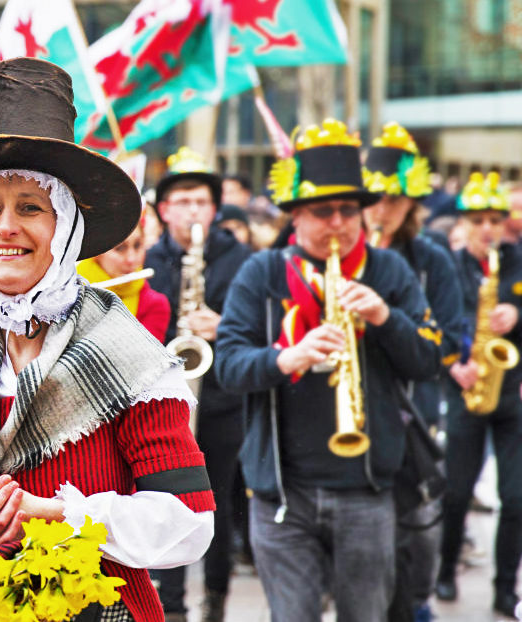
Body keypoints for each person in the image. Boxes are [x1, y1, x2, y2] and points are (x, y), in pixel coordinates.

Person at [0, 57, 214, 622]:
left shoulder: (131, 358)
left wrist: (56, 515)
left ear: (65, 229)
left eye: (31, 208)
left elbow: (188, 522)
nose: (6, 228)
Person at [215, 119, 443, 622]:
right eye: (323, 212)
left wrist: (385, 318)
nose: (338, 224)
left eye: (348, 211)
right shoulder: (264, 272)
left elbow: (429, 359)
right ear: (295, 215)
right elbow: (228, 366)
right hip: (283, 495)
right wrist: (285, 358)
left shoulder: (389, 271)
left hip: (367, 491)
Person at [362, 122, 464, 622]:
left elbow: (449, 337)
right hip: (353, 418)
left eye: (395, 199)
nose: (382, 209)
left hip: (414, 416)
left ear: (412, 204)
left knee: (414, 541)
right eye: (374, 198)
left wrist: (393, 323)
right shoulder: (343, 256)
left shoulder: (431, 260)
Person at [145, 146, 251, 622]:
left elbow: (261, 328)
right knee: (167, 501)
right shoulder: (149, 258)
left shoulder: (243, 259)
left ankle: (215, 597)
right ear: (164, 210)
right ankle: (170, 604)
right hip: (164, 403)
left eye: (201, 202)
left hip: (224, 400)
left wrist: (222, 326)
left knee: (221, 502)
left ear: (215, 208)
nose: (192, 211)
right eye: (182, 201)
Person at [435, 172, 522, 617]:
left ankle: (506, 588)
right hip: (467, 390)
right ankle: (446, 568)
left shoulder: (519, 262)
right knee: (455, 492)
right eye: (477, 219)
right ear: (464, 222)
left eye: (494, 218)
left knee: (516, 496)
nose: (487, 227)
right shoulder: (446, 266)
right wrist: (454, 364)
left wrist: (518, 311)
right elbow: (432, 326)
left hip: (513, 395)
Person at [77, 220, 170, 341]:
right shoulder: (69, 291)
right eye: (120, 248)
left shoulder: (154, 304)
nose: (131, 259)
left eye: (137, 246)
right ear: (97, 251)